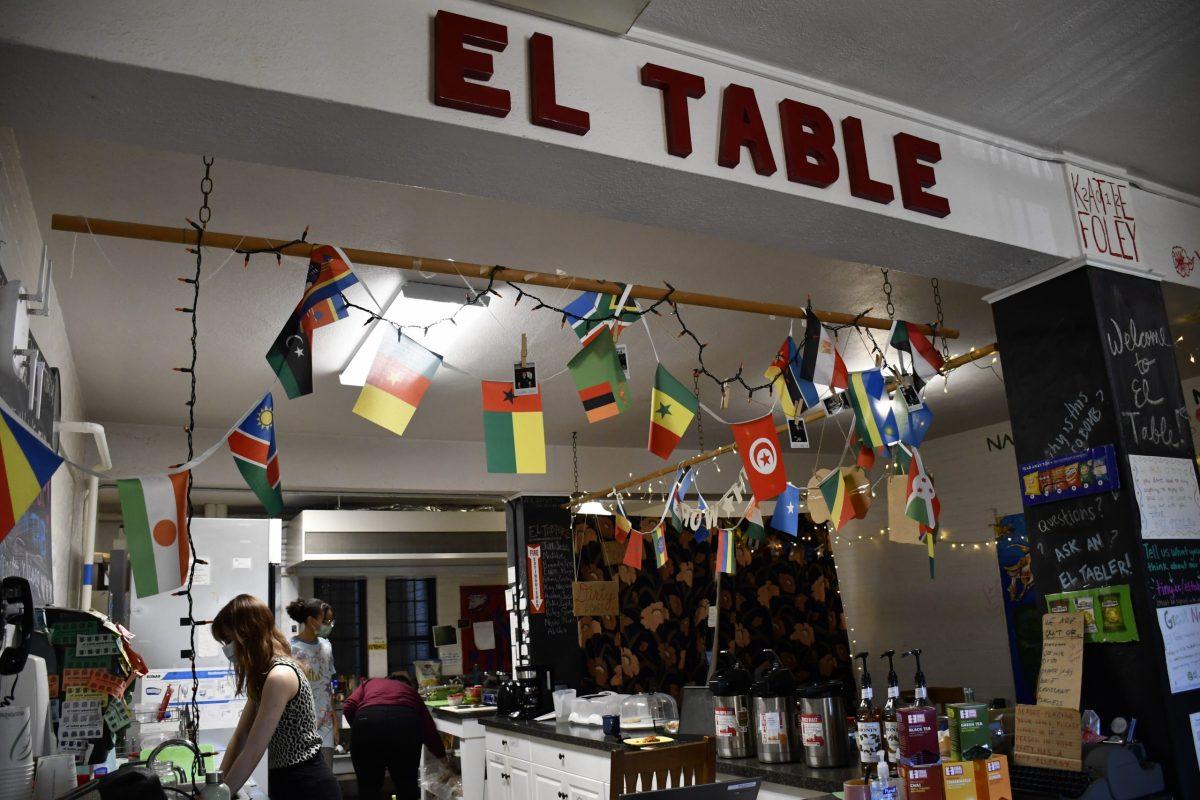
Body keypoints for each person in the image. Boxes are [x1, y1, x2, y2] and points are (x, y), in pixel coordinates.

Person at [212, 594, 340, 799]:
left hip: (308, 785)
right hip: (286, 781)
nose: (227, 647)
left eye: (228, 639)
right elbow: (241, 736)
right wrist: (217, 785)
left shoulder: (279, 676)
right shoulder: (264, 675)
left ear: (246, 635)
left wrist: (221, 795)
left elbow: (254, 749)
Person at [342, 671, 446, 800]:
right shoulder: (411, 692)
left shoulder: (370, 682)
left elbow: (348, 706)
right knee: (407, 787)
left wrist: (361, 728)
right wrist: (442, 755)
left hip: (368, 720)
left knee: (368, 788)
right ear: (408, 684)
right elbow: (428, 728)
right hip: (404, 723)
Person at [287, 597, 339, 767]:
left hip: (326, 727)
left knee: (325, 779)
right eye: (326, 620)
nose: (330, 624)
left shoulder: (327, 646)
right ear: (311, 621)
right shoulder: (290, 649)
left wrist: (335, 723)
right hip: (298, 727)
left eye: (331, 620)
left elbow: (327, 687)